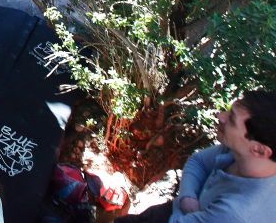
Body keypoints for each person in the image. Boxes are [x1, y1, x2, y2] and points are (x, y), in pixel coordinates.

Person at [116, 89, 276, 223]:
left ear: (259, 150)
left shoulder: (236, 213)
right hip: (177, 211)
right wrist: (187, 197)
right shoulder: (238, 151)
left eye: (232, 119)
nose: (221, 116)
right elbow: (198, 161)